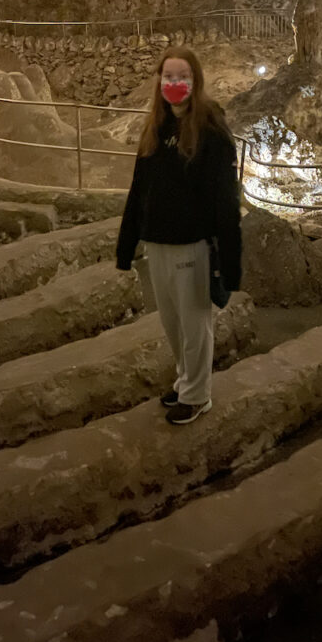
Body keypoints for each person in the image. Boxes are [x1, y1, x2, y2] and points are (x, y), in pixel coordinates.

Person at [116, 46, 242, 425]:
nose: (175, 83)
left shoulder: (211, 130)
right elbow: (140, 188)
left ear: (195, 80)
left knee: (194, 325)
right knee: (172, 323)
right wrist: (127, 244)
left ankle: (197, 395)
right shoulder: (156, 127)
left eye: (182, 76)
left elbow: (225, 198)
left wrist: (232, 262)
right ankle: (186, 380)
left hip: (192, 243)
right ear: (159, 82)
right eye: (168, 76)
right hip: (158, 242)